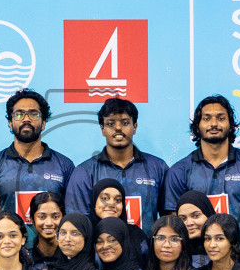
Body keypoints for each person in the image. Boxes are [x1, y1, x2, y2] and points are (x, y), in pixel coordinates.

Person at [165, 95, 240, 257]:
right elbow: (174, 227)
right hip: (196, 263)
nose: (214, 124)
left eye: (221, 118)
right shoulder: (179, 171)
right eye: (207, 118)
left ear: (231, 125)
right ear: (197, 127)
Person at [65, 98, 170, 230]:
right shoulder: (84, 171)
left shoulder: (158, 168)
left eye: (125, 123)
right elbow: (78, 224)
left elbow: (170, 219)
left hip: (146, 250)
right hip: (103, 249)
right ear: (102, 129)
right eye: (111, 124)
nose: (118, 128)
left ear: (135, 127)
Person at [0, 89, 74, 215]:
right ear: (10, 123)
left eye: (33, 114)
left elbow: (72, 213)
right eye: (19, 114)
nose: (26, 119)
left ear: (43, 123)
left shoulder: (64, 165)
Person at [90, 178, 149, 258]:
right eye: (104, 198)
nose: (111, 204)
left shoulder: (136, 234)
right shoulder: (84, 235)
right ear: (94, 203)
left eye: (118, 200)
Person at [174, 189, 213, 266]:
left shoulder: (226, 251)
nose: (189, 223)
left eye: (196, 216)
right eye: (183, 218)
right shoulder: (172, 254)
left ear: (208, 215)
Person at [26, 192, 65, 266]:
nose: (49, 223)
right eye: (42, 217)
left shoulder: (71, 255)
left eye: (55, 217)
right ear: (32, 220)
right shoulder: (25, 259)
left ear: (63, 218)